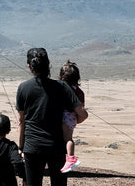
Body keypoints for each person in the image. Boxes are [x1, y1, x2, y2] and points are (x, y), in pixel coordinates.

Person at [16, 48, 88, 186]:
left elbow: (21, 121)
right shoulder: (62, 87)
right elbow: (82, 114)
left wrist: (21, 146)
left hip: (33, 146)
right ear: (48, 65)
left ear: (29, 67)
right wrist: (74, 121)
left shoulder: (23, 88)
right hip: (57, 146)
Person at [59, 60, 85, 173]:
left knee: (67, 139)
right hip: (73, 117)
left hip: (65, 116)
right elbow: (81, 108)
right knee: (67, 137)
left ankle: (71, 158)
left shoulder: (60, 88)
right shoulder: (79, 91)